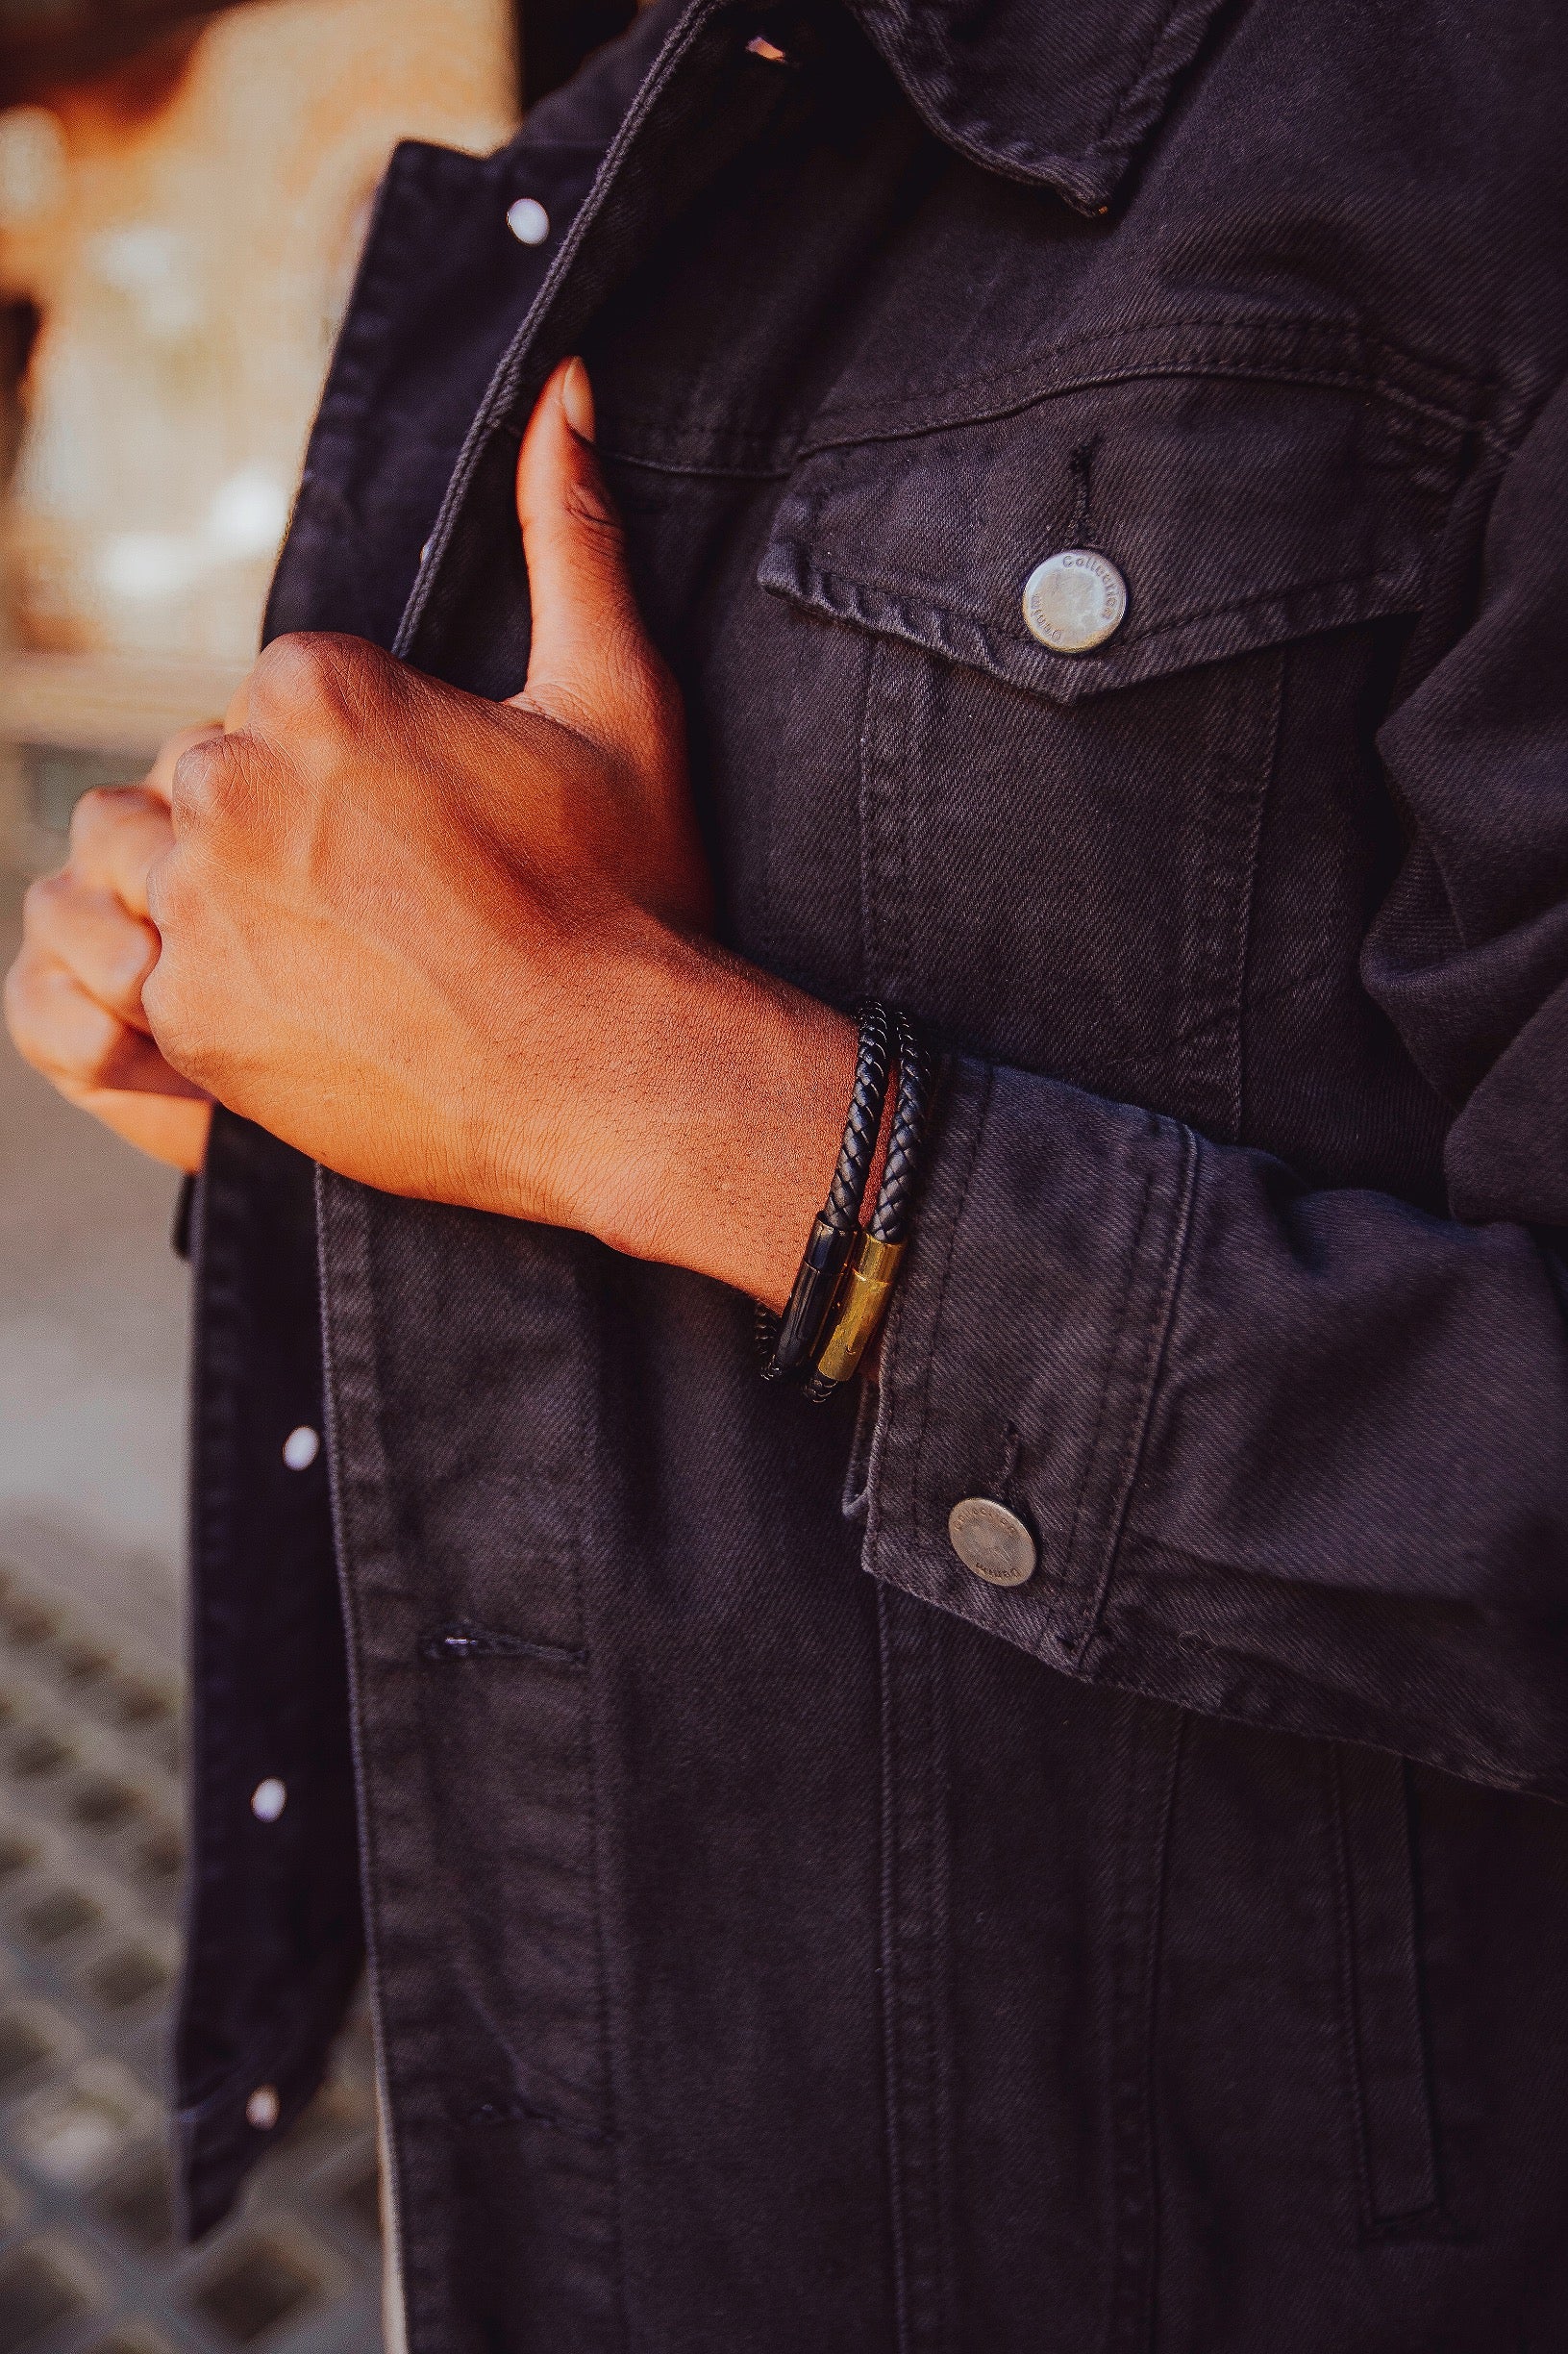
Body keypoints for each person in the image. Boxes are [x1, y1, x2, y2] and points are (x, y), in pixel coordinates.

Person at [8, 0, 1568, 2344]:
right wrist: (288, 1079)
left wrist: (641, 1088)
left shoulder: (1481, 133)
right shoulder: (617, 145)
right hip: (599, 2192)